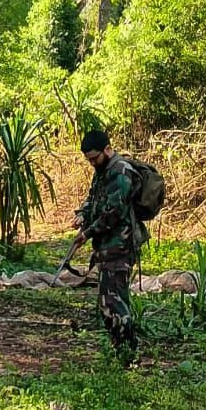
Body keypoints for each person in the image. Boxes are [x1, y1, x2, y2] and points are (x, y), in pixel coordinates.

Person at [73, 129, 147, 364]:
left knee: (115, 304)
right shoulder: (102, 172)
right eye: (89, 159)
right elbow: (93, 199)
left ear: (107, 149)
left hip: (120, 247)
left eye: (94, 157)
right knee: (108, 303)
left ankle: (129, 354)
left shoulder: (121, 171)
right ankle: (122, 351)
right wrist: (82, 216)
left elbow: (114, 212)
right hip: (106, 247)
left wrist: (87, 232)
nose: (92, 163)